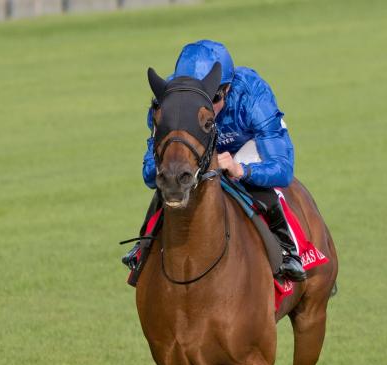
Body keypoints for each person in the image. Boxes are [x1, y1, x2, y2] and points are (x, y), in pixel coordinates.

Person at [123, 40, 306, 282]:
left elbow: (283, 169)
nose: (207, 105)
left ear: (228, 89)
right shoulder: (168, 101)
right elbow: (149, 174)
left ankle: (287, 250)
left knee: (256, 186)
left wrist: (241, 169)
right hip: (200, 148)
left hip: (246, 145)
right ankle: (144, 247)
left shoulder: (251, 94)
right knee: (170, 181)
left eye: (215, 97)